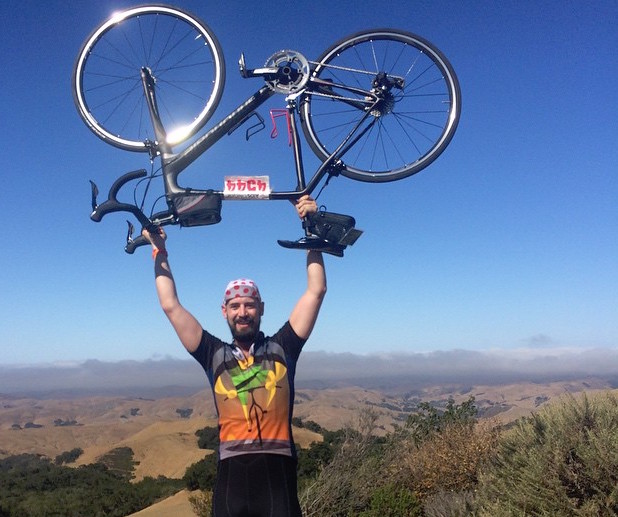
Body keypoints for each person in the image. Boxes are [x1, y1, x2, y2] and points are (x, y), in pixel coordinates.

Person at [142, 195, 326, 517]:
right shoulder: (213, 353)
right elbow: (170, 305)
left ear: (261, 309)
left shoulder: (283, 347)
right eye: (235, 306)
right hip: (231, 487)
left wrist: (310, 225)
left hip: (279, 485)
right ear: (225, 312)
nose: (243, 312)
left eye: (250, 305)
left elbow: (316, 290)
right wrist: (159, 250)